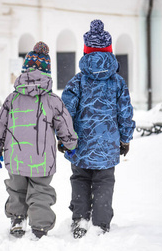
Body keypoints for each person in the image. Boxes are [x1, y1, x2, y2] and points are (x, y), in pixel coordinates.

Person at [0, 41, 78, 239]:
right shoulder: (53, 100)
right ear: (48, 73)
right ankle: (40, 226)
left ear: (24, 70)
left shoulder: (12, 99)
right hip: (42, 158)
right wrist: (70, 144)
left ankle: (18, 220)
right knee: (40, 192)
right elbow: (65, 124)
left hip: (16, 157)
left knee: (16, 189)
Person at [60, 19, 135, 238]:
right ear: (109, 52)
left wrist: (64, 138)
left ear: (85, 52)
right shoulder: (118, 82)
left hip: (80, 146)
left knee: (81, 178)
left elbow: (66, 112)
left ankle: (81, 219)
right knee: (104, 180)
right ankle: (101, 224)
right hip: (108, 145)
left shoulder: (77, 82)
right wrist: (125, 139)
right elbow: (125, 113)